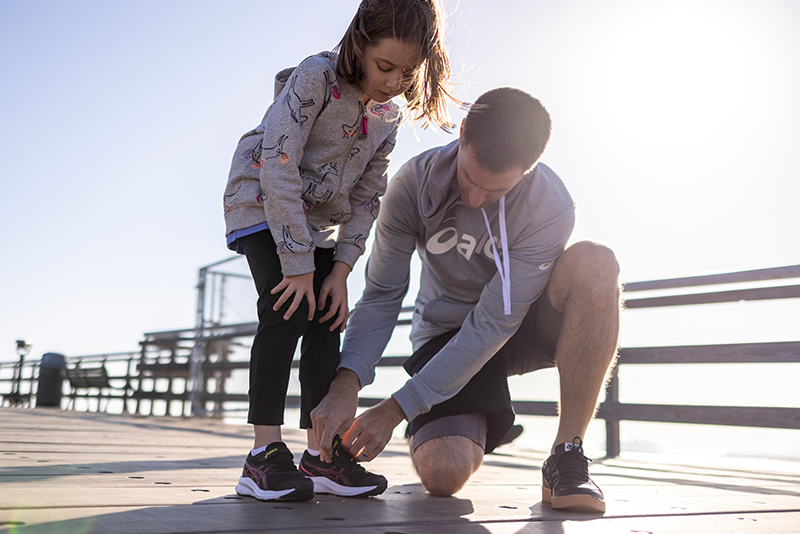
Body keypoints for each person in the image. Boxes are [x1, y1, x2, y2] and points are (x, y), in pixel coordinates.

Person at [311, 87, 621, 513]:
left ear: (526, 172)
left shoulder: (550, 205)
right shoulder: (412, 185)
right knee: (444, 475)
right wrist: (347, 382)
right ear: (461, 136)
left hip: (520, 324)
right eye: (470, 179)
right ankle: (473, 416)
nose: (475, 199)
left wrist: (397, 407)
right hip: (447, 328)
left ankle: (567, 455)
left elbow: (495, 324)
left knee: (596, 263)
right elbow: (383, 294)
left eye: (495, 191)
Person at [222, 0, 457, 502]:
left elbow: (366, 196)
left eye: (407, 72)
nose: (394, 82)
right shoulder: (315, 78)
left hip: (319, 225)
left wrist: (340, 270)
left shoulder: (388, 116)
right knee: (287, 307)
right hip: (263, 202)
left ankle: (321, 456)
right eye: (385, 67)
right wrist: (298, 266)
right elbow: (277, 165)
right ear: (358, 45)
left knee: (327, 318)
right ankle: (262, 455)